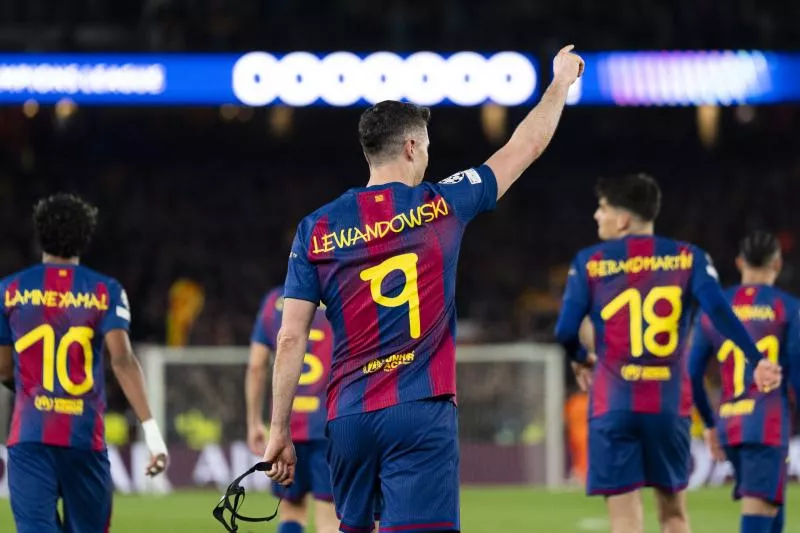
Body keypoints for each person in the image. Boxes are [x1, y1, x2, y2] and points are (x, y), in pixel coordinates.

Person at [263, 45, 585, 533]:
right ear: (412, 147)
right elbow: (525, 146)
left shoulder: (316, 228)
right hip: (420, 410)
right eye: (428, 146)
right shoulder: (441, 204)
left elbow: (290, 338)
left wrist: (279, 430)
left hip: (347, 417)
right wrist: (560, 83)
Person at [554, 174, 781, 533]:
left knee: (624, 520)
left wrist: (581, 358)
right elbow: (719, 311)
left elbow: (565, 331)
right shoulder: (689, 258)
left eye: (603, 208)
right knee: (674, 515)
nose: (597, 215)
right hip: (668, 404)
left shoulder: (589, 262)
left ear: (623, 219)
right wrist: (757, 359)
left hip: (612, 404)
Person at [0, 193, 169, 533]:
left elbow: (3, 368)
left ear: (39, 233)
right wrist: (152, 432)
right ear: (86, 237)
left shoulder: (9, 289)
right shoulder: (105, 290)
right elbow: (122, 360)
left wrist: (37, 394)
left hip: (29, 435)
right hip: (84, 438)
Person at [689, 231, 800, 533]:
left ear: (739, 262)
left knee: (773, 516)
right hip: (767, 426)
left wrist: (709, 424)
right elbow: (797, 375)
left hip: (730, 425)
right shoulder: (787, 308)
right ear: (777, 263)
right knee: (759, 518)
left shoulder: (715, 309)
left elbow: (693, 373)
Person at [246, 286, 337, 533]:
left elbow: (256, 365)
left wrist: (254, 422)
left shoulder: (274, 301)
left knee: (291, 511)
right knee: (330, 518)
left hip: (286, 430)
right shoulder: (338, 293)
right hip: (330, 426)